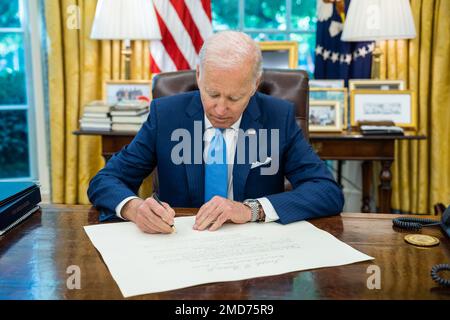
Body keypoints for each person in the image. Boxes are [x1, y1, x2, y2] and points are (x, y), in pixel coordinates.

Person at [88, 31, 344, 234]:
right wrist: (134, 208)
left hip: (254, 252)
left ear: (255, 85)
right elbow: (105, 181)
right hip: (177, 245)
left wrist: (250, 210)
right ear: (199, 76)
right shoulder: (165, 115)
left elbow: (326, 191)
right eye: (212, 94)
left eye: (234, 97)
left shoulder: (278, 117)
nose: (220, 109)